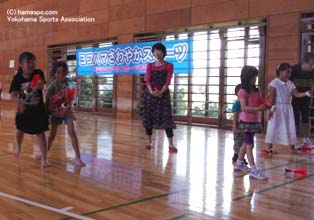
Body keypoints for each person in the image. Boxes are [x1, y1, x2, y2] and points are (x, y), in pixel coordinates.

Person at [9, 52, 49, 168]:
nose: (32, 64)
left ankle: (44, 158)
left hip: (38, 110)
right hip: (24, 111)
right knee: (19, 130)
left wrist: (41, 85)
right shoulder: (17, 79)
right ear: (21, 64)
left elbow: (42, 85)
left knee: (40, 134)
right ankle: (19, 147)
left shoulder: (38, 73)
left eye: (33, 62)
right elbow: (13, 95)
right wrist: (19, 103)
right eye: (28, 62)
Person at [46, 61, 85, 166]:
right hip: (55, 114)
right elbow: (46, 101)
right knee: (52, 135)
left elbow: (72, 96)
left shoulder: (70, 83)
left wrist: (68, 103)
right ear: (55, 73)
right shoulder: (51, 87)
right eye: (58, 72)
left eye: (63, 72)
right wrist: (47, 113)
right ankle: (44, 155)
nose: (61, 74)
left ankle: (78, 158)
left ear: (66, 73)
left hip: (67, 112)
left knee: (72, 131)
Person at [265, 63, 311, 153]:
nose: (289, 74)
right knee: (273, 126)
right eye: (287, 72)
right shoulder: (274, 83)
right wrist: (269, 110)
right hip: (277, 108)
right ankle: (269, 146)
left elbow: (296, 94)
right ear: (281, 72)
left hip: (288, 108)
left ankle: (292, 147)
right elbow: (272, 98)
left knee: (290, 126)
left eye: (290, 73)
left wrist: (306, 93)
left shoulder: (290, 83)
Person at [141, 42, 177, 153]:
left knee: (167, 119)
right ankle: (149, 142)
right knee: (149, 118)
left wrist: (161, 91)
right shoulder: (149, 65)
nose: (157, 53)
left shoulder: (169, 65)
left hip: (163, 95)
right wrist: (152, 91)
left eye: (159, 50)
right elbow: (147, 79)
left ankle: (171, 144)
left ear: (164, 52)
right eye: (155, 51)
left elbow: (168, 80)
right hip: (150, 95)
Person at [234, 65, 267, 180]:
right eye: (254, 76)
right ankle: (253, 169)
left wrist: (266, 106)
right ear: (248, 77)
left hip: (255, 121)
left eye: (256, 76)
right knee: (249, 145)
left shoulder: (256, 90)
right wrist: (258, 109)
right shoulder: (242, 91)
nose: (255, 78)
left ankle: (239, 162)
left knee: (246, 143)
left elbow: (260, 102)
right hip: (246, 122)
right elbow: (244, 107)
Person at [290, 52, 314, 146]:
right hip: (293, 98)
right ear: (304, 62)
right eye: (311, 64)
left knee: (306, 118)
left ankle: (306, 139)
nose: (312, 66)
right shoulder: (294, 70)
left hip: (306, 97)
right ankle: (294, 140)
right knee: (295, 118)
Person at [232, 84, 247, 164]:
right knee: (238, 141)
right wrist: (235, 126)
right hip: (238, 125)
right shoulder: (237, 103)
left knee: (243, 141)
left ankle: (240, 156)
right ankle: (237, 156)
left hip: (244, 125)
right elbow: (235, 116)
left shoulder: (244, 103)